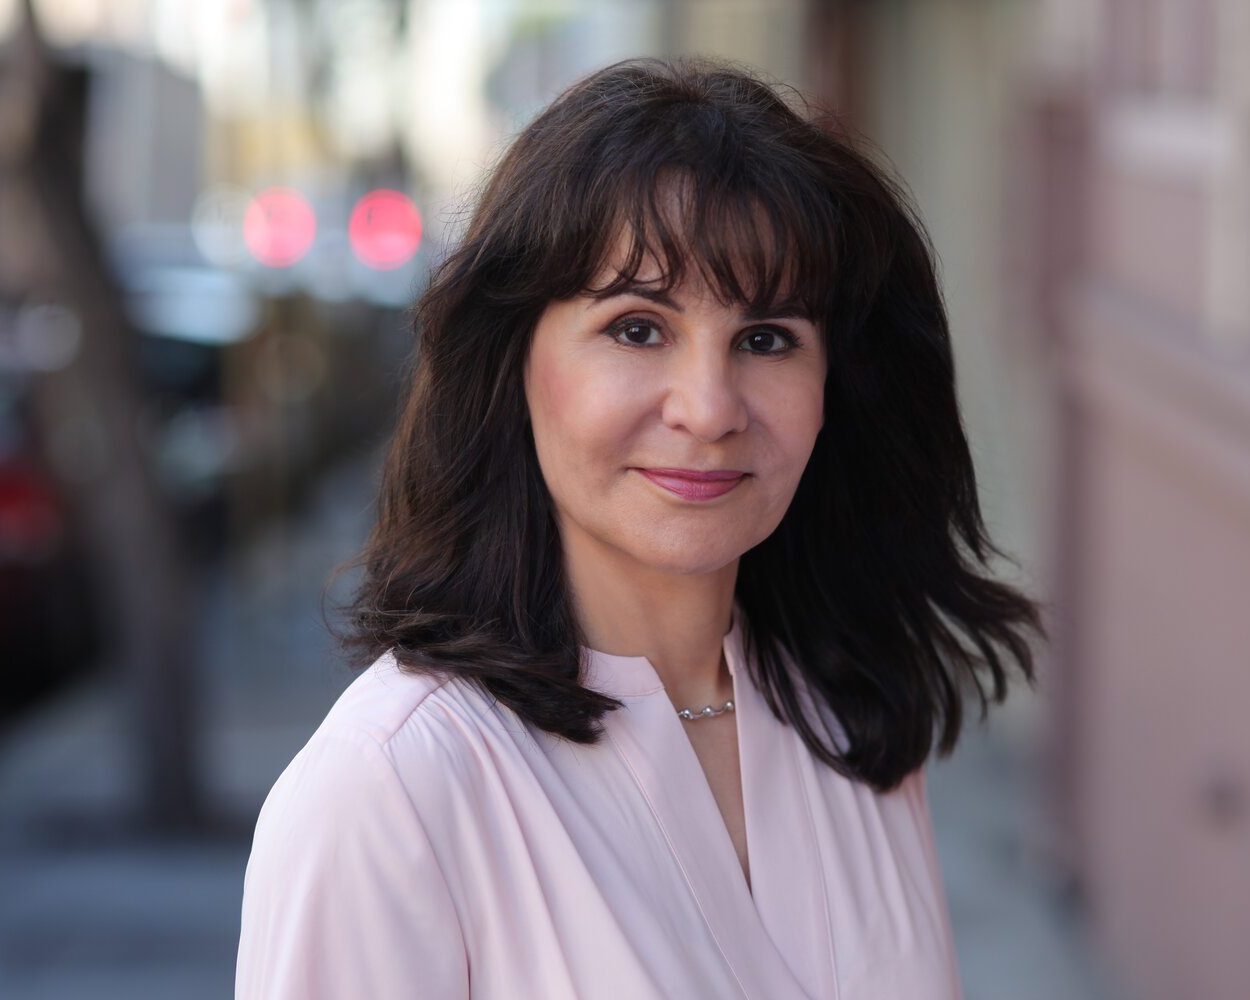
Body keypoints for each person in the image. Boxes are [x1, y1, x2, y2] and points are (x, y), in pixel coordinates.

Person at [234, 56, 1044, 1000]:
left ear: (832, 391)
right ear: (514, 364)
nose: (708, 409)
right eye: (637, 328)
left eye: (768, 338)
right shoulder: (393, 791)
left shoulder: (848, 718)